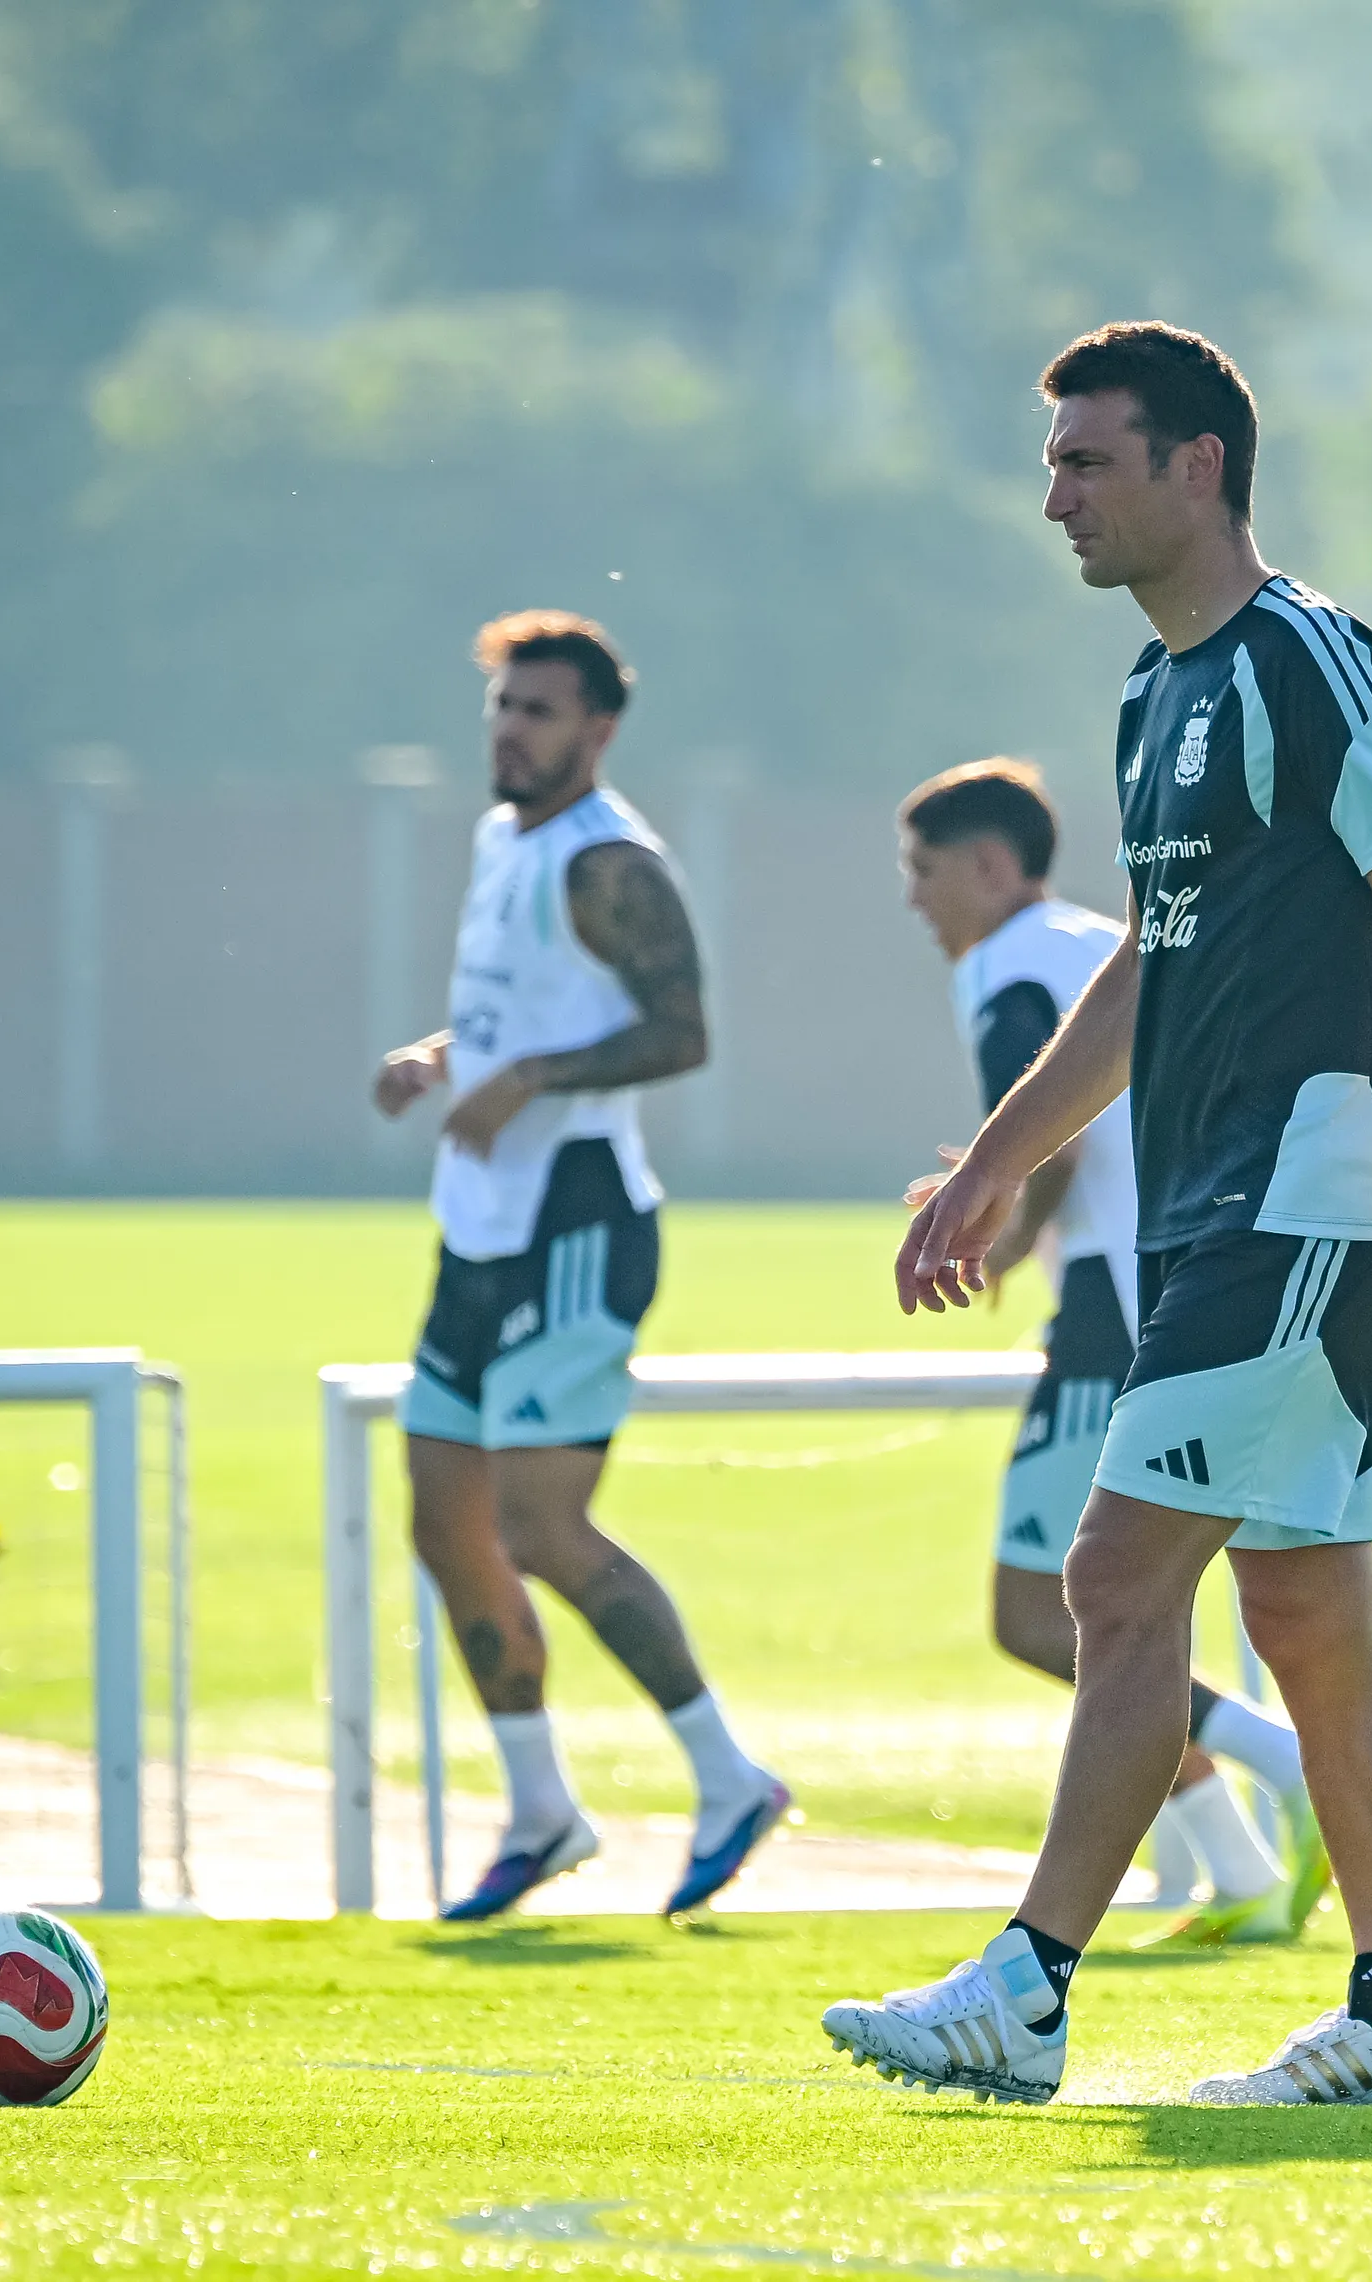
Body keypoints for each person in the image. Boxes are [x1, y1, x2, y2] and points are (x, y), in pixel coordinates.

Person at [822, 322, 1372, 2105]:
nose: (1055, 498)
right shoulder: (1154, 694)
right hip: (1211, 1210)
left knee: (1114, 1577)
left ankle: (1027, 1986)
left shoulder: (1312, 660)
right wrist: (997, 1161)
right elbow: (1149, 964)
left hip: (1302, 1199)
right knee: (1309, 1614)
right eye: (1051, 463)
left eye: (1086, 461)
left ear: (1198, 466)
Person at [372, 611, 787, 1921]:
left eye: (538, 711)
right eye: (501, 706)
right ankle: (542, 1807)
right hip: (478, 1227)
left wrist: (530, 1079)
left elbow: (681, 1030)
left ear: (598, 729)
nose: (510, 730)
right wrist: (444, 1057)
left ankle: (728, 1776)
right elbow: (524, 1009)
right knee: (444, 1521)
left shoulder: (614, 862)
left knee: (539, 1525)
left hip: (578, 1223)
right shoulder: (502, 839)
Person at [897, 755, 1323, 1948]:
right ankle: (1238, 1866)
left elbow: (1060, 1139)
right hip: (1186, 1273)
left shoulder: (1006, 965)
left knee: (1044, 1610)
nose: (914, 897)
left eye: (923, 870)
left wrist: (992, 1232)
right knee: (1120, 1604)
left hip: (1113, 1305)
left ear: (992, 865)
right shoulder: (1098, 941)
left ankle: (1283, 1758)